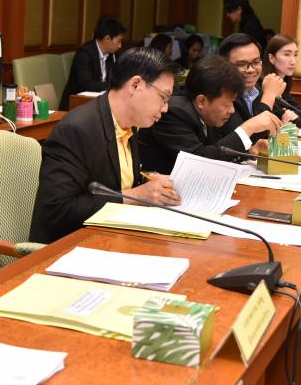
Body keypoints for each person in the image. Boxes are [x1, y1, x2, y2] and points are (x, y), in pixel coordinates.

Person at [30, 47, 182, 243]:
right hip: (68, 246)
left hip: (111, 236)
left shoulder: (129, 124)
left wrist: (149, 180)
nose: (166, 108)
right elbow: (58, 209)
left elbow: (116, 182)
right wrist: (134, 196)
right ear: (135, 85)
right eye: (164, 97)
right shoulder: (77, 130)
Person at [139, 55, 271, 174]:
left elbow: (218, 151)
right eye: (227, 104)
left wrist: (249, 150)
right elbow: (199, 162)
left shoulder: (208, 114)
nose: (231, 110)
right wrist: (248, 128)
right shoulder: (173, 112)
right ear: (201, 101)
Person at [218, 33, 285, 142]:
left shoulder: (259, 87)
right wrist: (268, 97)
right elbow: (244, 140)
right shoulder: (221, 94)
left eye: (256, 62)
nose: (251, 70)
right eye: (241, 64)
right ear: (224, 65)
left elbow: (281, 119)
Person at [59, 16, 126, 110]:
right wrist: (113, 85)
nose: (120, 46)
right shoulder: (84, 54)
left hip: (99, 103)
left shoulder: (113, 55)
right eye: (118, 41)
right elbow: (87, 84)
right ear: (107, 38)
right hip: (76, 105)